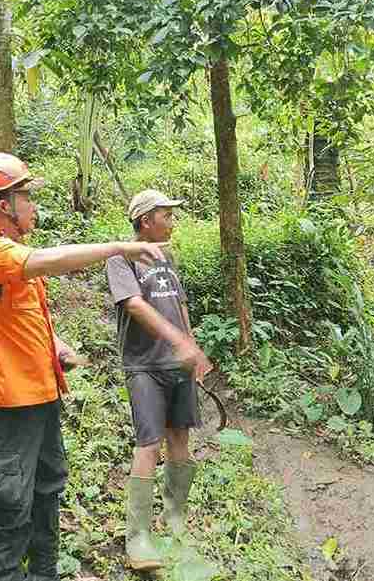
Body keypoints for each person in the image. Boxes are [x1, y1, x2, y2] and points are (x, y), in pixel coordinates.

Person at [0, 153, 166, 581]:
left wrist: (56, 345)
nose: (33, 205)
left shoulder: (10, 251)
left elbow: (18, 316)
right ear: (0, 203)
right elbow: (49, 260)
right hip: (6, 404)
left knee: (47, 493)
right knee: (12, 508)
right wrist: (119, 247)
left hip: (41, 396)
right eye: (26, 196)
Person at [105, 189, 213, 571]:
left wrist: (193, 349)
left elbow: (179, 304)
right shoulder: (121, 258)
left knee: (180, 438)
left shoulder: (166, 256)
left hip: (177, 365)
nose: (172, 221)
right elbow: (134, 305)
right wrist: (178, 341)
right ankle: (138, 537)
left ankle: (176, 524)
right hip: (144, 366)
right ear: (145, 220)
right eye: (166, 215)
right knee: (149, 443)